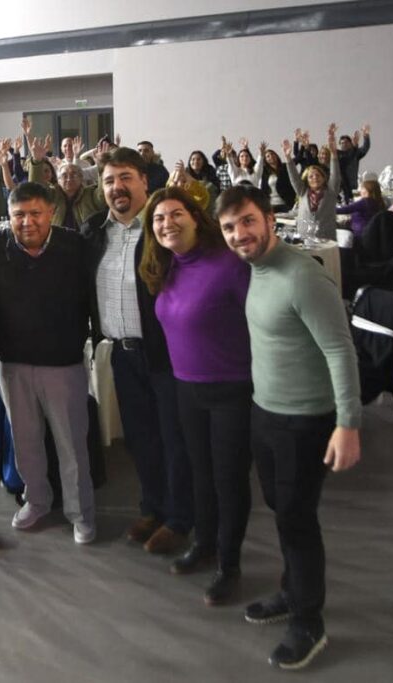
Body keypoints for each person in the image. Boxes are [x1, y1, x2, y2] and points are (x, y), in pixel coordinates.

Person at [217, 184, 361, 670]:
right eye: (230, 227)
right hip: (267, 413)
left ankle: (308, 621)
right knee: (282, 510)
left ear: (269, 220)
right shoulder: (256, 270)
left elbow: (341, 351)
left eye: (248, 222)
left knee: (297, 520)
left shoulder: (303, 276)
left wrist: (348, 423)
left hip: (305, 421)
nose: (240, 234)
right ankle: (291, 589)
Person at [140, 187, 252, 606]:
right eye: (158, 219)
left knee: (229, 480)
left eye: (174, 214)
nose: (166, 223)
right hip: (186, 387)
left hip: (231, 389)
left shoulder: (229, 264)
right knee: (200, 474)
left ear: (195, 216)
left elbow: (258, 324)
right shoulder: (167, 266)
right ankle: (204, 544)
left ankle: (230, 564)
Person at [0, 181, 95, 544]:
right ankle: (36, 500)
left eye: (35, 214)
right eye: (18, 215)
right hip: (12, 364)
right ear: (8, 217)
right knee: (25, 440)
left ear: (50, 213)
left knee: (71, 445)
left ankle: (80, 513)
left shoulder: (75, 246)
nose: (27, 222)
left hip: (63, 364)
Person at [81, 147, 193, 555]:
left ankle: (181, 518)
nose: (117, 187)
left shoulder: (163, 229)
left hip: (166, 354)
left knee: (173, 439)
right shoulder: (95, 232)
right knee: (141, 439)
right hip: (121, 356)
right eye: (109, 180)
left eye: (126, 177)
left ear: (146, 181)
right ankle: (153, 507)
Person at [283, 124, 341, 240]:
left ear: (324, 178)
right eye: (310, 176)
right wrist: (288, 158)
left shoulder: (331, 191)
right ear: (307, 181)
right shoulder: (303, 191)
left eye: (318, 175)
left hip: (326, 239)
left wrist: (334, 153)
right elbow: (294, 178)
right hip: (304, 238)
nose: (314, 177)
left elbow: (336, 175)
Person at [257, 142, 295, 213]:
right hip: (272, 204)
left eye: (272, 154)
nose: (271, 156)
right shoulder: (265, 172)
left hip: (286, 203)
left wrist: (288, 154)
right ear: (266, 160)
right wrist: (261, 154)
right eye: (268, 156)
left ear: (276, 156)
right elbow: (263, 189)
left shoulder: (285, 167)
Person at [337, 124, 370, 202]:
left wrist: (366, 136)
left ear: (350, 143)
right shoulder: (337, 154)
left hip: (352, 186)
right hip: (339, 187)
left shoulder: (355, 153)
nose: (344, 144)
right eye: (342, 143)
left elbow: (365, 148)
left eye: (346, 142)